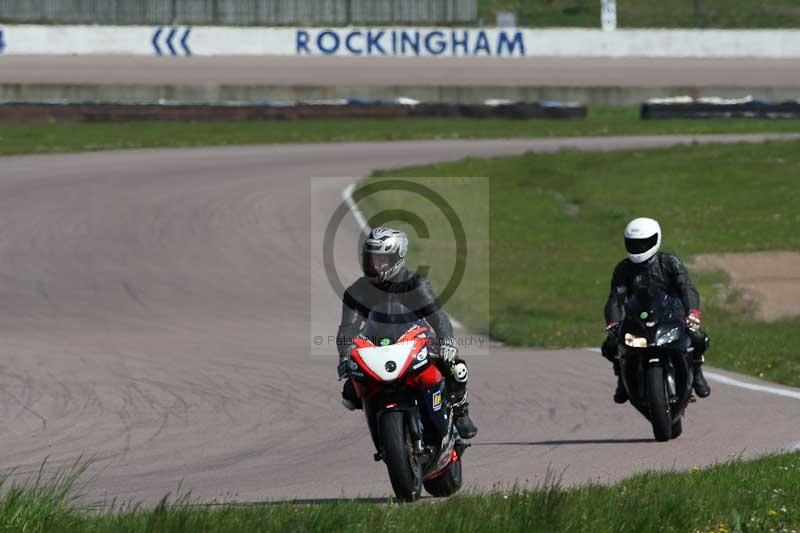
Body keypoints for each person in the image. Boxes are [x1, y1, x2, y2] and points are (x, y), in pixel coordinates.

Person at [335, 227, 477, 439]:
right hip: (375, 344)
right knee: (350, 392)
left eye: (382, 259)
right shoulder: (357, 291)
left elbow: (437, 315)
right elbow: (347, 327)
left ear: (397, 258)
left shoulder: (415, 283)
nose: (376, 265)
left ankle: (459, 411)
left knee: (455, 368)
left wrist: (447, 341)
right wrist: (345, 355)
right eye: (372, 258)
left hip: (416, 339)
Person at [602, 217, 711, 404]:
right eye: (634, 244)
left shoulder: (670, 262)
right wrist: (613, 323)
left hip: (672, 317)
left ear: (656, 239)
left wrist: (692, 312)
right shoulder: (623, 269)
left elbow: (687, 288)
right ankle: (622, 377)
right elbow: (615, 298)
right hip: (637, 319)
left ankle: (697, 371)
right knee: (611, 345)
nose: (639, 248)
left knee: (699, 338)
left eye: (643, 243)